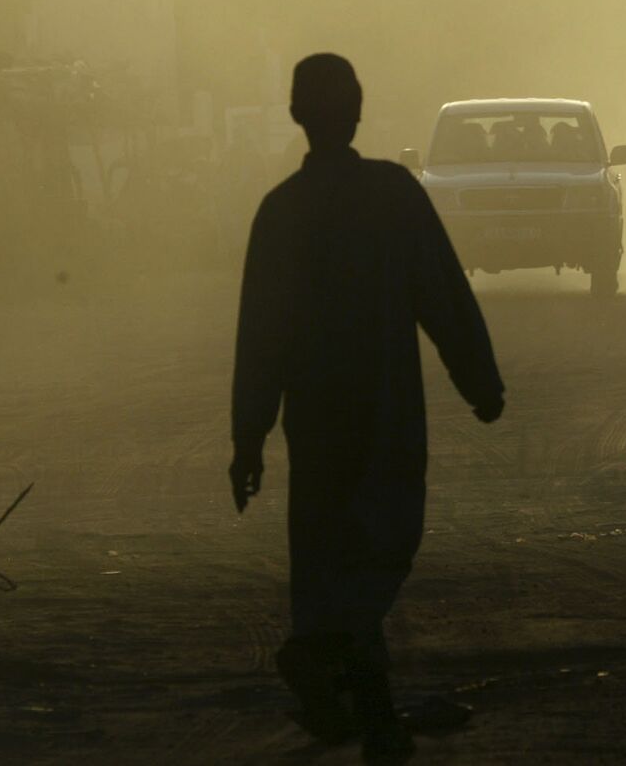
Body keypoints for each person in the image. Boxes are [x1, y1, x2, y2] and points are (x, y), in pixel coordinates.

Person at [229, 54, 504, 761]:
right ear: (357, 110)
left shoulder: (280, 212)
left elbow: (258, 338)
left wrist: (249, 438)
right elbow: (442, 294)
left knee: (324, 552)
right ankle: (350, 679)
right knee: (383, 541)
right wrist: (480, 381)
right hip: (385, 412)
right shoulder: (393, 195)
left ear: (296, 115)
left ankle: (343, 672)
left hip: (315, 420)